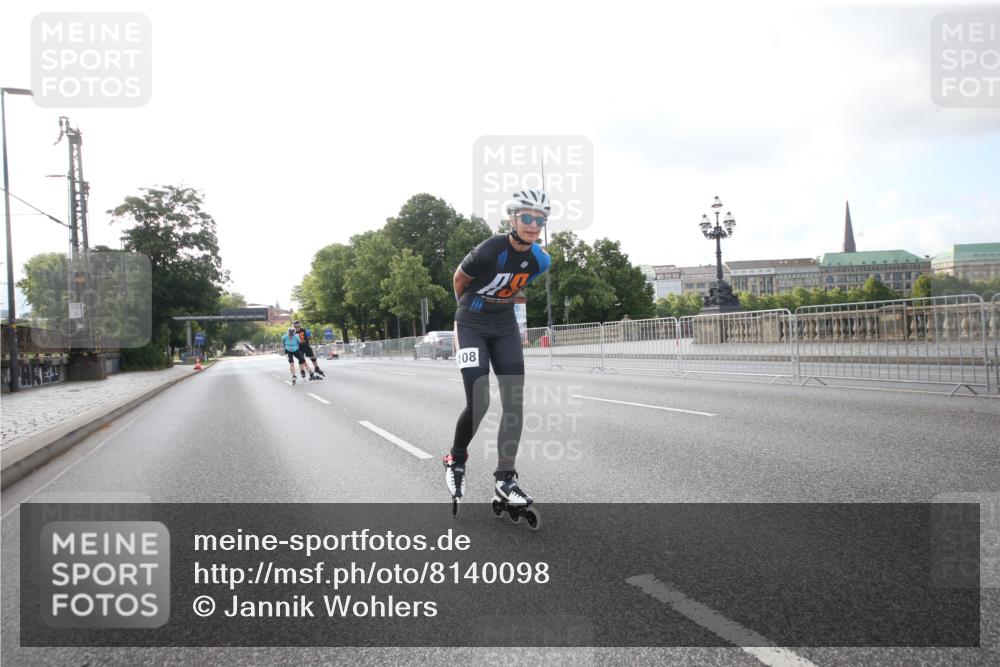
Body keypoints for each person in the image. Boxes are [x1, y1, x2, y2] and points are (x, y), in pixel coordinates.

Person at [444, 188, 552, 507]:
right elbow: (459, 281)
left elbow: (514, 287)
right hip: (471, 324)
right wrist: (463, 317)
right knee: (479, 401)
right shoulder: (490, 249)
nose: (533, 225)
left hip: (504, 326)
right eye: (527, 217)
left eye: (540, 219)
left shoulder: (540, 261)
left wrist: (499, 304)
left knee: (514, 403)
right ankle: (456, 458)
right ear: (513, 218)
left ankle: (506, 479)